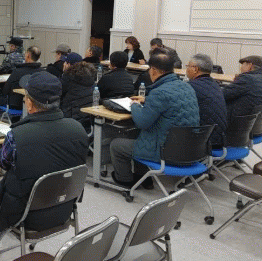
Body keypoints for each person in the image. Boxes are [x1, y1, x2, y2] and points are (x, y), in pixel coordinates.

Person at [0, 71, 89, 233]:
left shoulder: (17, 135)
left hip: (24, 215)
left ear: (29, 104)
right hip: (63, 208)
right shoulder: (79, 129)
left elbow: (4, 164)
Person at [110, 50, 199, 187]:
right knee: (141, 137)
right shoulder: (187, 87)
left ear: (153, 70)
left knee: (117, 145)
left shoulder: (159, 92)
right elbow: (170, 104)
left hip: (166, 151)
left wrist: (135, 105)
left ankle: (125, 180)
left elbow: (142, 122)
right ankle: (143, 179)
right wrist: (147, 100)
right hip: (189, 149)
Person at [0, 46, 43, 121]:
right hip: (34, 106)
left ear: (28, 55)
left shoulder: (17, 71)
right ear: (39, 57)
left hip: (14, 104)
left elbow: (5, 90)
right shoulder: (42, 72)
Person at [186, 54, 227, 148]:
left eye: (188, 66)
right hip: (219, 138)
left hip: (205, 142)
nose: (187, 69)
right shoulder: (216, 85)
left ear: (195, 69)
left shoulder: (190, 87)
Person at [222, 55, 262, 123]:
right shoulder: (257, 79)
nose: (240, 68)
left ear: (250, 65)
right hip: (251, 124)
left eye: (243, 64)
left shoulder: (247, 79)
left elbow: (222, 94)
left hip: (234, 121)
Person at [60, 58, 95, 129]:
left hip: (70, 119)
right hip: (88, 120)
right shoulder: (92, 82)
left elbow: (59, 95)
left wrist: (64, 73)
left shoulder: (68, 80)